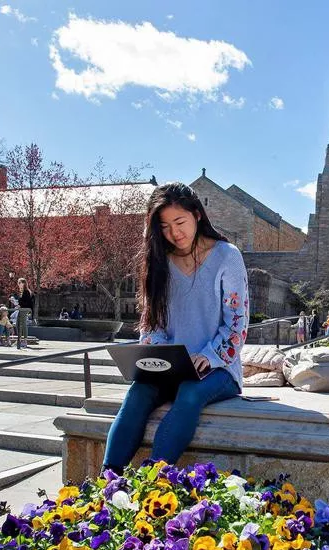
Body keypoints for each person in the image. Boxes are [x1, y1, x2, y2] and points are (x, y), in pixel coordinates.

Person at [102, 182, 247, 472]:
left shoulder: (227, 256)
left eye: (179, 222)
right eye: (165, 226)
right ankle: (106, 484)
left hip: (218, 368)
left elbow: (236, 323)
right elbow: (153, 323)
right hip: (172, 367)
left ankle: (152, 484)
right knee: (138, 391)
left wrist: (208, 356)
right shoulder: (160, 262)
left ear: (197, 214)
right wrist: (157, 353)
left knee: (190, 392)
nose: (174, 233)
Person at [16, 278, 35, 348]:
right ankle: (20, 340)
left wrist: (19, 304)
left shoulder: (26, 291)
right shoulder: (22, 291)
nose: (18, 284)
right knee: (18, 324)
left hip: (25, 309)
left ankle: (24, 341)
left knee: (22, 324)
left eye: (19, 283)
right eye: (18, 283)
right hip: (23, 309)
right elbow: (23, 302)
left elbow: (27, 303)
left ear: (23, 283)